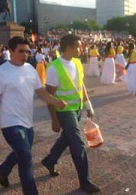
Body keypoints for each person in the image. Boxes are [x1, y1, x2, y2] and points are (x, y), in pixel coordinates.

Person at [0, 36, 66, 195]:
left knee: (22, 153)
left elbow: (41, 92)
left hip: (28, 123)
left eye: (27, 52)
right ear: (11, 51)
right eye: (21, 51)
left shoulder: (30, 68)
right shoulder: (1, 72)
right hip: (10, 123)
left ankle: (3, 169)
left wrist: (55, 102)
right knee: (26, 156)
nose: (25, 55)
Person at [41, 34, 100, 194]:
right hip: (64, 111)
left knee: (67, 138)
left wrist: (88, 104)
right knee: (78, 143)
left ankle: (49, 160)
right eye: (79, 46)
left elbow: (81, 86)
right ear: (68, 47)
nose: (82, 49)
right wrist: (54, 119)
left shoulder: (77, 62)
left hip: (77, 108)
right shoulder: (54, 67)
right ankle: (85, 182)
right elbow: (49, 95)